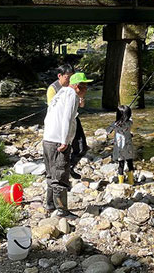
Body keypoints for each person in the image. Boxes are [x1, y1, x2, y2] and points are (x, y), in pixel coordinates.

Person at [42, 72, 93, 217]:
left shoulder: (61, 92)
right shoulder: (71, 95)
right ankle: (62, 211)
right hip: (58, 141)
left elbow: (49, 114)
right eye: (85, 86)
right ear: (78, 86)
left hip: (48, 139)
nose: (87, 89)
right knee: (60, 175)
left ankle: (50, 205)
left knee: (51, 175)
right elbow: (67, 119)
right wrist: (64, 140)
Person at [47, 64, 88, 180]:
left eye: (71, 77)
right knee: (63, 147)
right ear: (60, 76)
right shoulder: (53, 89)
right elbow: (54, 109)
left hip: (73, 118)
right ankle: (61, 173)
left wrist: (81, 99)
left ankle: (70, 167)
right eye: (67, 77)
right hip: (59, 123)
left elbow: (81, 105)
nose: (70, 80)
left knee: (82, 147)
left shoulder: (76, 90)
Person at [106, 105, 136, 185]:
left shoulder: (115, 125)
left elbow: (107, 130)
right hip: (128, 147)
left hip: (119, 148)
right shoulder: (129, 123)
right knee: (130, 163)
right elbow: (130, 119)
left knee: (121, 165)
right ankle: (131, 181)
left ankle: (121, 182)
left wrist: (112, 126)